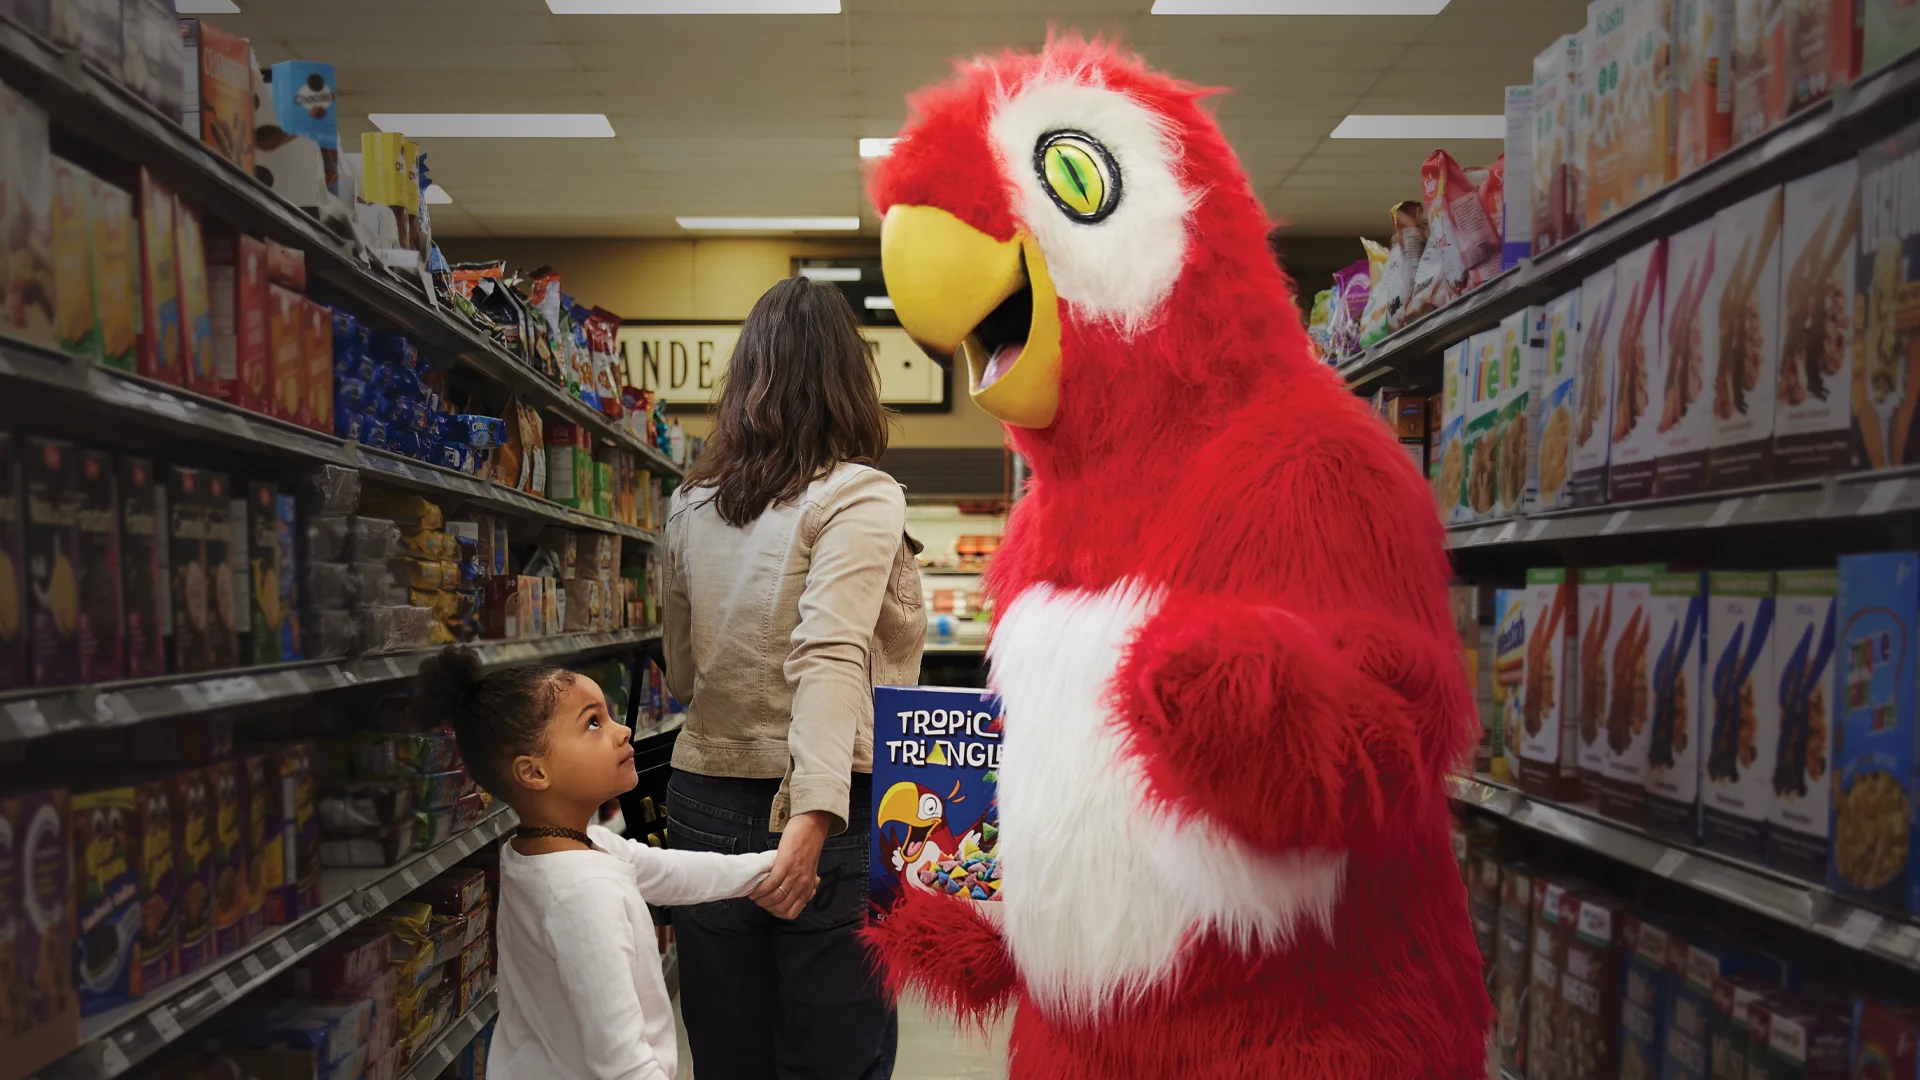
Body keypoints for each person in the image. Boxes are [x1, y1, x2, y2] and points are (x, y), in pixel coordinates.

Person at [663, 275, 925, 1080]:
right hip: (828, 810)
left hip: (703, 798)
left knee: (727, 1058)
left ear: (745, 383)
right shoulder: (859, 494)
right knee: (834, 1060)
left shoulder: (691, 501)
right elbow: (832, 653)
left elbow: (679, 667)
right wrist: (812, 819)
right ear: (851, 382)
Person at [417, 647, 780, 1080]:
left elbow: (665, 872)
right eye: (593, 723)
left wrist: (771, 867)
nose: (623, 731)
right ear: (533, 773)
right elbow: (623, 1066)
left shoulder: (554, 847)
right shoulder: (582, 896)